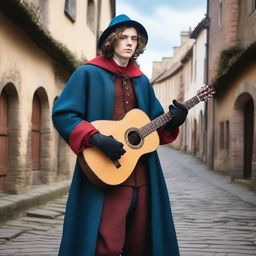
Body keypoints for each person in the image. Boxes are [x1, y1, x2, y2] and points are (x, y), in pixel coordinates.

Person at [52, 14, 188, 256]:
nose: (129, 43)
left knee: (141, 243)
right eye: (123, 37)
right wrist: (97, 138)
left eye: (134, 39)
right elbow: (64, 114)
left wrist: (174, 120)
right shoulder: (88, 74)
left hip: (144, 176)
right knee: (106, 245)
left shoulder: (142, 81)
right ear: (112, 41)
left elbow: (156, 126)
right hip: (106, 172)